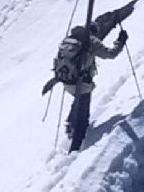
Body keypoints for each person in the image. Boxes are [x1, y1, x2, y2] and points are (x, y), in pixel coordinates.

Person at [42, 24, 128, 152]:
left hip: (67, 80)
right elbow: (110, 54)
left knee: (77, 102)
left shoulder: (69, 40)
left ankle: (70, 126)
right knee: (83, 113)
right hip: (82, 83)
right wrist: (121, 41)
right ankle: (75, 146)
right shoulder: (91, 41)